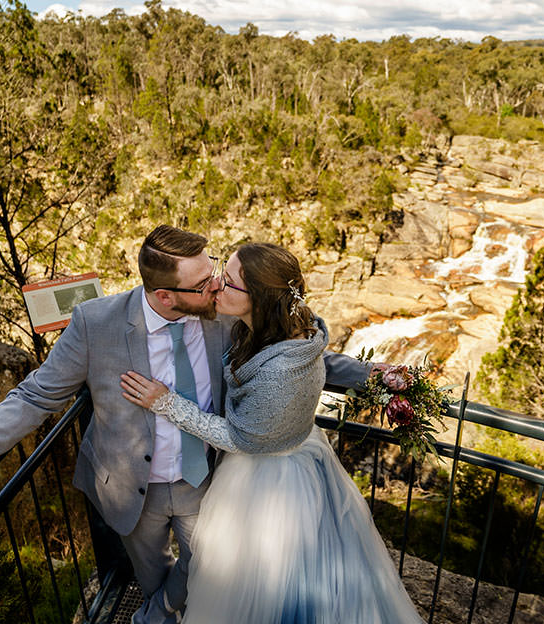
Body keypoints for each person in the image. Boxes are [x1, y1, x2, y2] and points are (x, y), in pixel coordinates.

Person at [0, 226, 372, 624]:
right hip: (130, 492)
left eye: (214, 273)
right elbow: (32, 397)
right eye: (204, 283)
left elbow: (291, 353)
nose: (216, 287)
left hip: (209, 483)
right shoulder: (95, 324)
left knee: (208, 578)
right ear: (165, 295)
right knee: (152, 580)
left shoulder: (226, 312)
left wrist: (377, 378)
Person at [121, 242, 425, 623]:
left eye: (228, 281)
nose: (216, 285)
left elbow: (239, 438)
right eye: (221, 272)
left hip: (269, 480)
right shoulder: (265, 327)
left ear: (259, 299)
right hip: (284, 452)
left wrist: (166, 403)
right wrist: (369, 373)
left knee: (267, 582)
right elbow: (315, 359)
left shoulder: (280, 373)